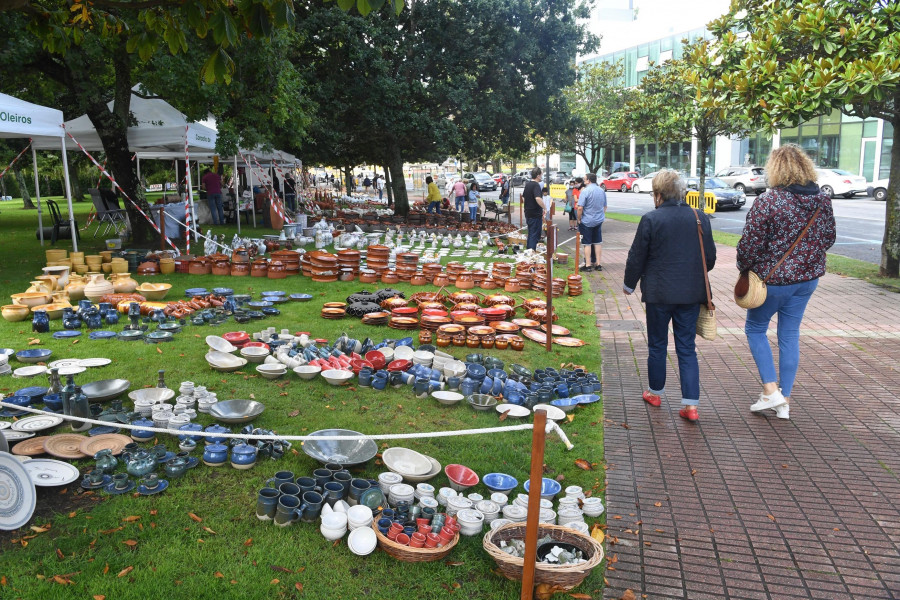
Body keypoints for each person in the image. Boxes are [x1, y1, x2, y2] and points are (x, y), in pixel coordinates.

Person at [736, 144, 836, 420]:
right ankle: (785, 401)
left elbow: (750, 245)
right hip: (807, 280)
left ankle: (770, 391)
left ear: (775, 169)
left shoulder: (769, 201)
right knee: (789, 334)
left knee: (756, 329)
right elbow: (829, 239)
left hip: (773, 280)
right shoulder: (822, 200)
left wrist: (744, 268)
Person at [623, 170, 716, 422]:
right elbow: (710, 259)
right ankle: (691, 406)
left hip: (658, 293)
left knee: (657, 344)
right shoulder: (700, 218)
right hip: (690, 293)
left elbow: (636, 256)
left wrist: (629, 284)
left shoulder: (651, 219)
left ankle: (655, 393)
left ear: (658, 194)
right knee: (687, 348)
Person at [576, 174, 606, 271]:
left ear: (588, 180)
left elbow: (580, 208)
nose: (584, 181)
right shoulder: (601, 191)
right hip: (598, 220)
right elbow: (605, 206)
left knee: (587, 243)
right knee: (597, 242)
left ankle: (588, 265)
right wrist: (600, 216)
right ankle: (598, 264)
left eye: (585, 179)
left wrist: (579, 219)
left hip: (587, 220)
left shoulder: (585, 191)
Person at [522, 167, 545, 250]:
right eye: (541, 174)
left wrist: (528, 205)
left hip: (528, 212)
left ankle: (529, 250)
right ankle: (531, 252)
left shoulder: (528, 184)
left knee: (531, 232)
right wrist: (545, 208)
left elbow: (523, 198)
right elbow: (538, 198)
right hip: (535, 214)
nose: (542, 176)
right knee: (534, 234)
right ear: (538, 175)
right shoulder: (536, 185)